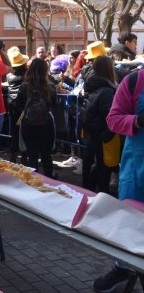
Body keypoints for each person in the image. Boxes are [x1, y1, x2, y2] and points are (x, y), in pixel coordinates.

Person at [94, 67, 144, 292]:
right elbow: (113, 119)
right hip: (136, 172)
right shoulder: (134, 81)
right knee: (129, 226)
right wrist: (136, 121)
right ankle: (123, 269)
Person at [80, 55, 117, 193]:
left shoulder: (91, 84)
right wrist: (107, 135)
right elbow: (109, 116)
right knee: (103, 165)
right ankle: (101, 193)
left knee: (90, 161)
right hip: (101, 133)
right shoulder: (106, 90)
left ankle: (87, 188)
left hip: (91, 131)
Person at [15, 58, 57, 177]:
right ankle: (49, 182)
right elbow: (54, 106)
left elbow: (19, 106)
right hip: (47, 125)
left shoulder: (24, 86)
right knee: (46, 156)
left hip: (28, 125)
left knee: (32, 156)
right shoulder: (51, 87)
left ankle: (32, 184)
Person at [6, 46, 29, 164]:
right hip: (23, 106)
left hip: (12, 106)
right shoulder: (27, 76)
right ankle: (24, 156)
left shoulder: (9, 77)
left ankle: (13, 155)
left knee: (14, 132)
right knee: (23, 132)